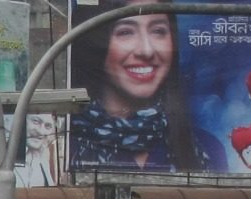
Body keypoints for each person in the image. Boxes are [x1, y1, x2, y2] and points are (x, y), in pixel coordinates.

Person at [68, 0, 223, 171]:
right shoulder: (63, 146)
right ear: (94, 45)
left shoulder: (208, 148)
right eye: (126, 32)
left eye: (158, 31)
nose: (146, 51)